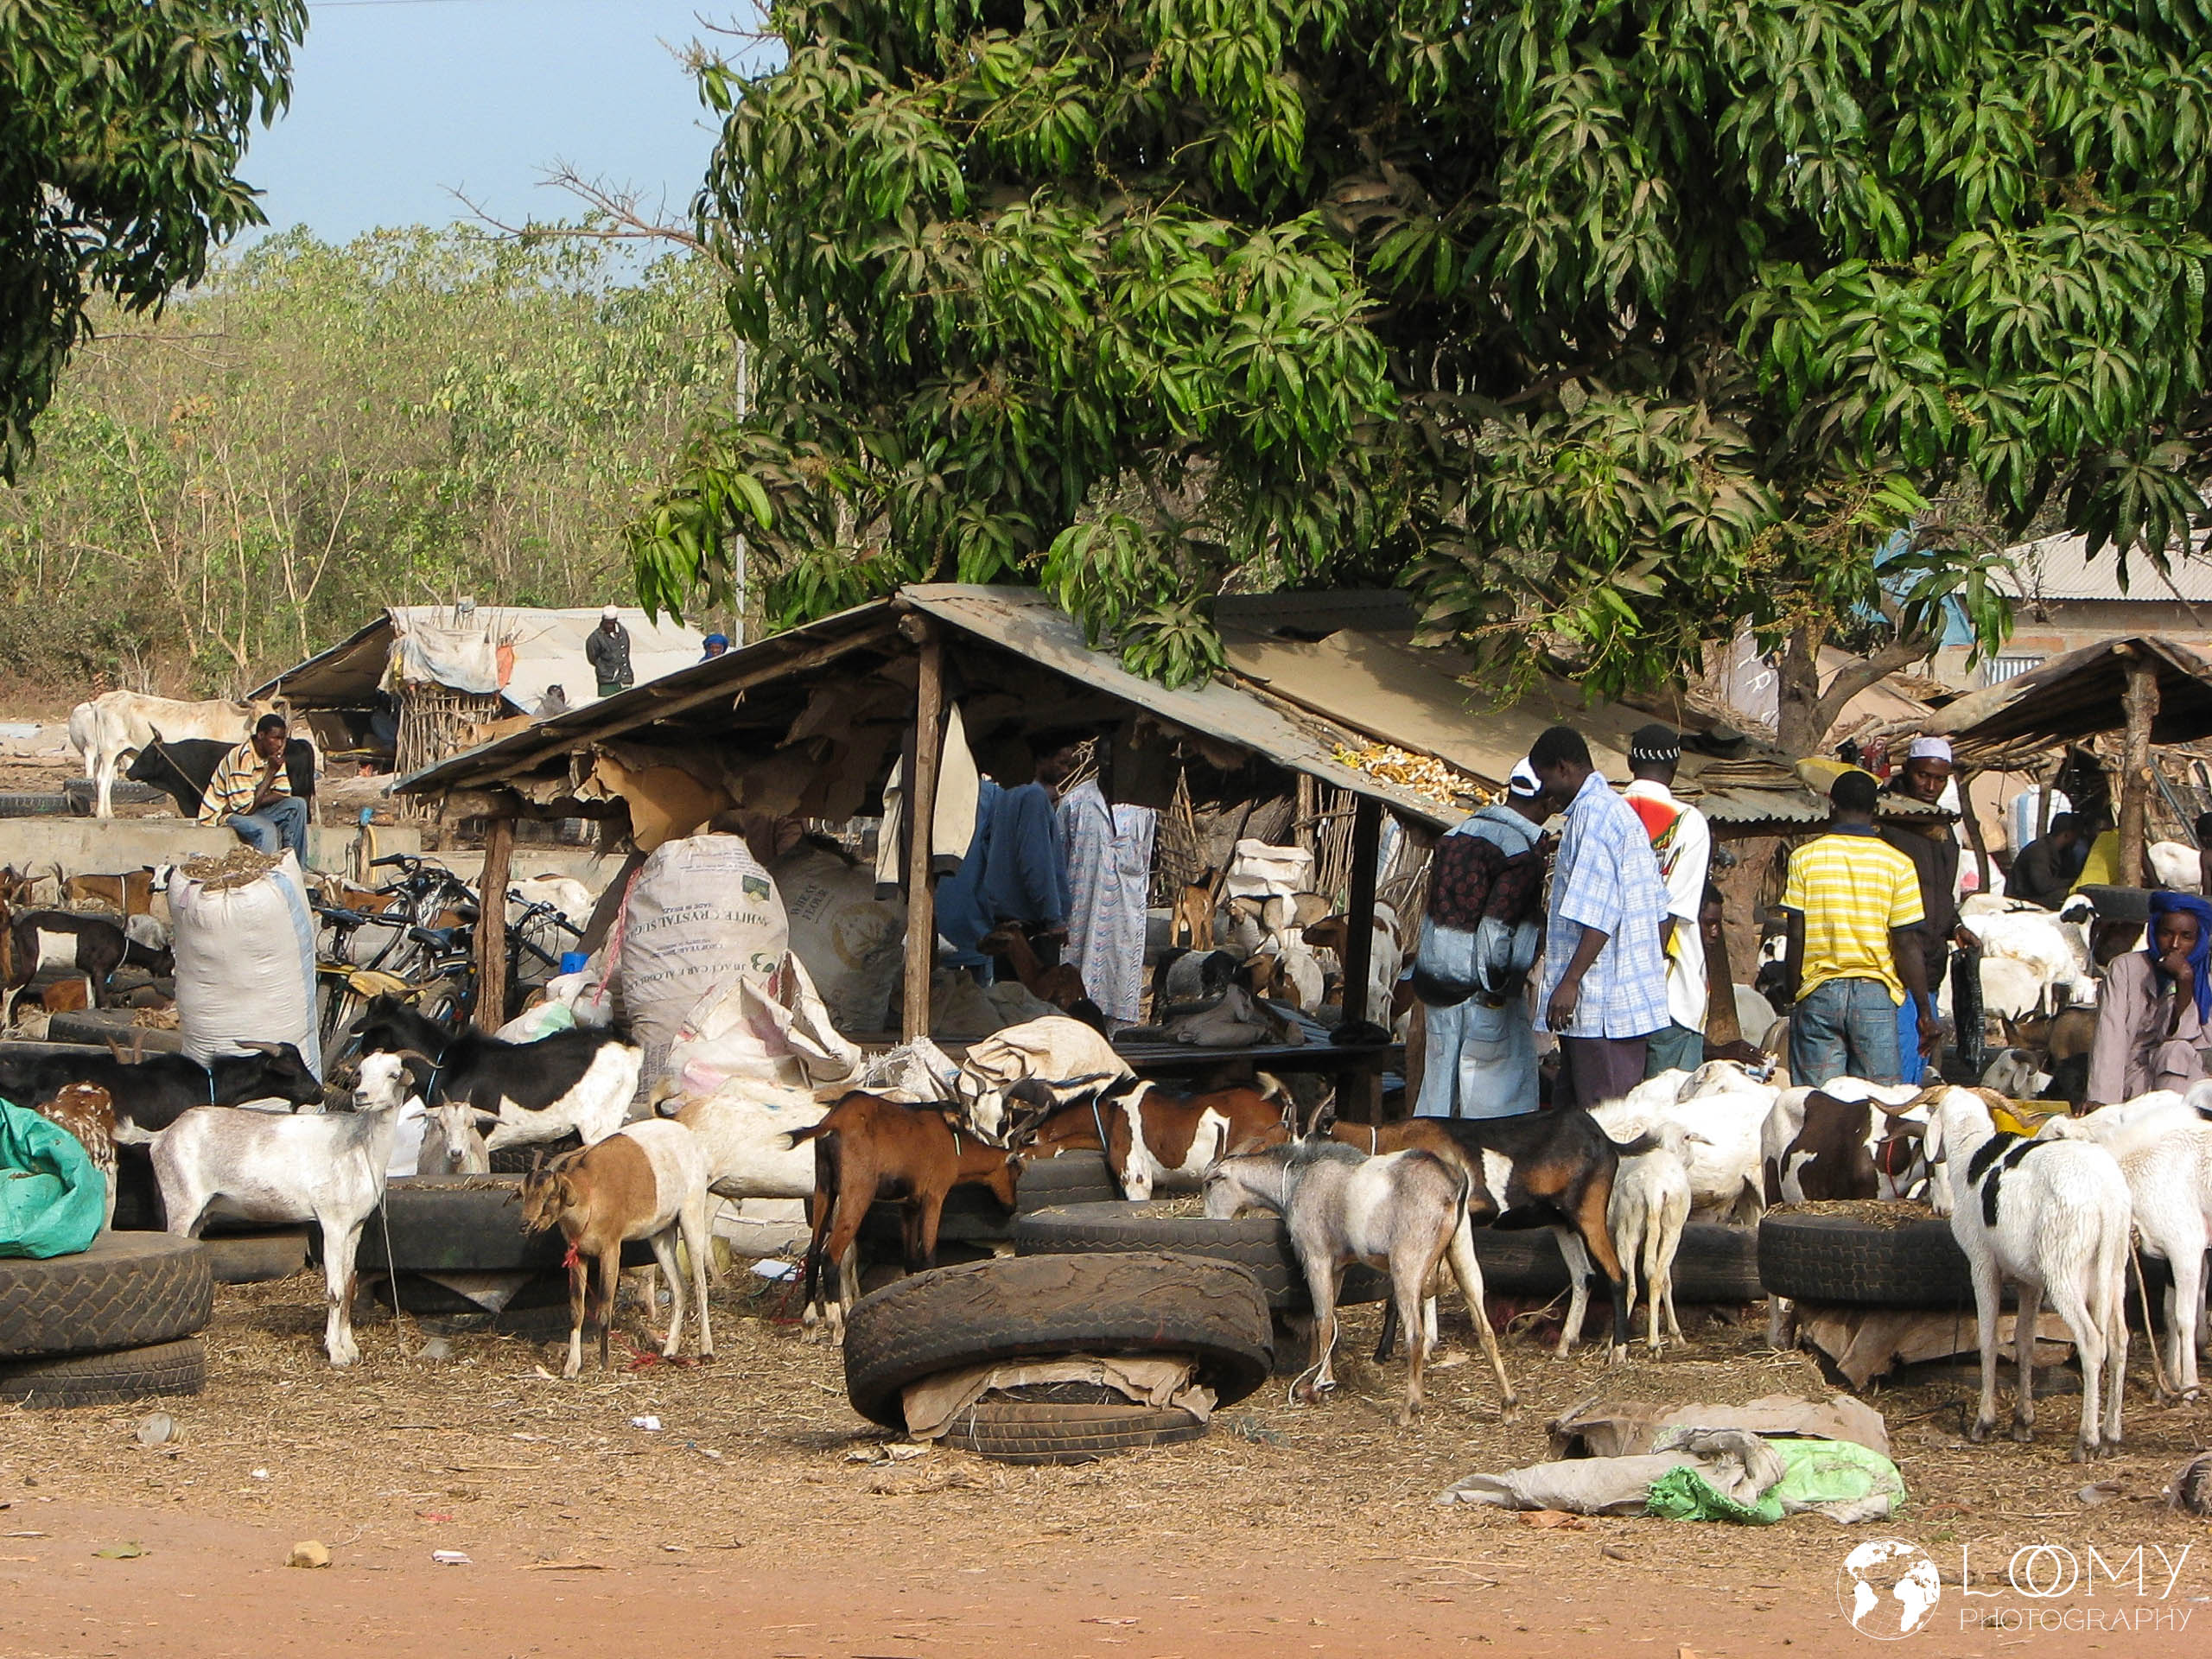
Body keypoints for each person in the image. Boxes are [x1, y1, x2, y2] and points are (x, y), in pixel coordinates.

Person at [1530, 725, 1670, 1109]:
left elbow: (1599, 913)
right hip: (1613, 1007)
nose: (1545, 792)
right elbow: (1660, 912)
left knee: (1604, 1126)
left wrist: (1569, 982)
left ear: (1562, 768)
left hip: (1603, 1011)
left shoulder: (1596, 815)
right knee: (1573, 1128)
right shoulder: (1614, 813)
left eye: (1545, 780)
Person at [1411, 759, 1555, 1117]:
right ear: (1548, 802)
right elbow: (1496, 929)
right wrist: (1498, 988)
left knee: (1439, 1096)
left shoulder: (1456, 835)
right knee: (1493, 1106)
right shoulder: (1520, 853)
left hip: (1438, 986)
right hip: (1483, 994)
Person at [1779, 770, 1938, 1087]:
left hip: (1819, 993)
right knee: (1879, 1106)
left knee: (1817, 1101)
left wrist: (1794, 993)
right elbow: (1906, 944)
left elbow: (1797, 935)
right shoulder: (1899, 864)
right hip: (1875, 996)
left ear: (1831, 806)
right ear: (1876, 811)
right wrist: (1924, 1011)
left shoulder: (1804, 859)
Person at [1881, 735, 1978, 1084]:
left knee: (1915, 1066)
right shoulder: (1889, 823)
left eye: (1939, 779)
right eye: (1923, 776)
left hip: (1930, 966)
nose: (1930, 785)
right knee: (1897, 1080)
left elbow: (1940, 895)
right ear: (1907, 771)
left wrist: (1956, 927)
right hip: (1896, 970)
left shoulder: (1943, 829)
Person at [1622, 722, 1713, 1077]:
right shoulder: (1689, 822)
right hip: (1670, 992)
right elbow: (1671, 912)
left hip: (1609, 994)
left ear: (1630, 762)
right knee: (1668, 1118)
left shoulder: (1605, 813)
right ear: (1675, 769)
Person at [1052, 738, 1157, 1024]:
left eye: (1118, 762)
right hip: (1080, 919)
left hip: (1123, 920)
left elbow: (1144, 861)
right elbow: (1058, 861)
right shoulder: (1075, 802)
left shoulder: (1143, 808)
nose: (1111, 768)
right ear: (1098, 762)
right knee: (1074, 1003)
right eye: (1106, 761)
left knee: (1117, 997)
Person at [2087, 891, 2212, 1104]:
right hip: (2135, 1078)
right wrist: (2103, 1103)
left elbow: (2188, 1038)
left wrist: (2185, 981)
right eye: (2166, 934)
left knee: (2176, 1051)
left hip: (2192, 1081)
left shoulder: (2206, 978)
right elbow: (2111, 1037)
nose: (2174, 944)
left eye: (2186, 937)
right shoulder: (2125, 968)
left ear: (2198, 940)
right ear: (2154, 933)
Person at [198, 713, 308, 859]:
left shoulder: (274, 756)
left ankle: (297, 868)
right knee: (267, 829)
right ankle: (267, 876)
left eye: (282, 739)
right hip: (224, 813)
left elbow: (283, 793)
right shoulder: (242, 757)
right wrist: (271, 773)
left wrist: (256, 799)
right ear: (261, 735)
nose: (280, 744)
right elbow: (245, 809)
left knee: (298, 804)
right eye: (275, 738)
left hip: (245, 808)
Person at [2008, 813, 2085, 911]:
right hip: (2021, 900)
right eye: (2076, 835)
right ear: (2067, 835)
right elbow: (2043, 886)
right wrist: (2074, 882)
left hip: (2036, 897)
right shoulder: (2038, 851)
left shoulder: (2063, 852)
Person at [584, 606, 633, 698]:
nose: (609, 626)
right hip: (607, 682)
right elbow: (592, 658)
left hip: (625, 679)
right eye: (607, 623)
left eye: (612, 623)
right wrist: (606, 668)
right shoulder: (595, 637)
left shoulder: (622, 632)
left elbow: (625, 652)